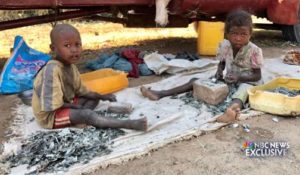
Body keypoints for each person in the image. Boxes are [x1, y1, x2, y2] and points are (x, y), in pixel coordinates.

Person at [141, 10, 263, 123]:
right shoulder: (224, 46)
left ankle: (231, 111)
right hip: (230, 79)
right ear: (226, 33)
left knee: (242, 92)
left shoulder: (254, 51)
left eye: (243, 34)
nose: (238, 38)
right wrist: (219, 72)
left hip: (248, 82)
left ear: (250, 34)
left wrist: (239, 77)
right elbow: (222, 63)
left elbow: (257, 75)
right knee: (196, 81)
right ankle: (161, 93)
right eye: (234, 33)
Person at [32, 24, 147, 131]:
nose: (74, 50)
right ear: (53, 48)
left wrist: (102, 96)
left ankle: (79, 118)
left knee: (94, 97)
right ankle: (128, 124)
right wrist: (79, 109)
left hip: (66, 102)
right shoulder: (51, 70)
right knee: (87, 114)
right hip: (51, 115)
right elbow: (53, 105)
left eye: (77, 44)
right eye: (67, 45)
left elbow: (82, 91)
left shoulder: (71, 67)